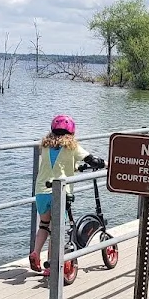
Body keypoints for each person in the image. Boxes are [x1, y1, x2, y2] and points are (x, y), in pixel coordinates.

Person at [30, 114, 105, 275]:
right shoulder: (72, 146)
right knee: (56, 229)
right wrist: (104, 163)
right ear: (71, 132)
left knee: (44, 225)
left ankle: (35, 252)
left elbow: (59, 165)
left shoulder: (45, 145)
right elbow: (91, 159)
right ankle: (51, 266)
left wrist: (77, 167)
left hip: (42, 191)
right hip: (59, 192)